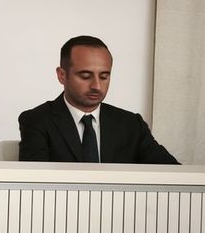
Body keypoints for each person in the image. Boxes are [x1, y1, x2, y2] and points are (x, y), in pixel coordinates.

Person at [18, 35, 178, 164]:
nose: (97, 86)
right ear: (62, 75)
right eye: (85, 76)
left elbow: (173, 174)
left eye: (104, 76)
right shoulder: (36, 121)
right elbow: (36, 184)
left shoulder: (131, 125)